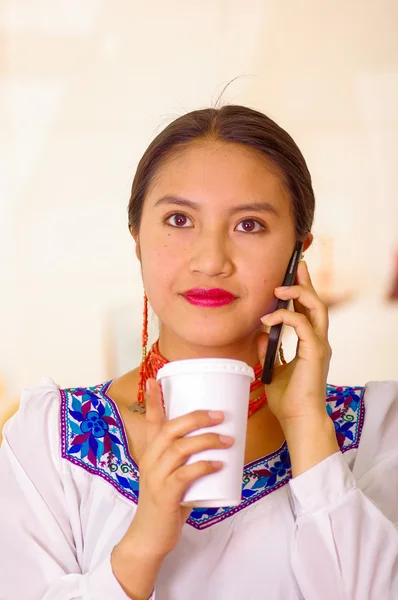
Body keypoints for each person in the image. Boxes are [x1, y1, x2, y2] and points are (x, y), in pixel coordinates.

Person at [0, 105, 397, 600]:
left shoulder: (378, 429)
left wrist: (309, 430)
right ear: (138, 241)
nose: (210, 260)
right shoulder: (47, 440)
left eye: (249, 225)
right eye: (179, 219)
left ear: (299, 252)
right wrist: (141, 547)